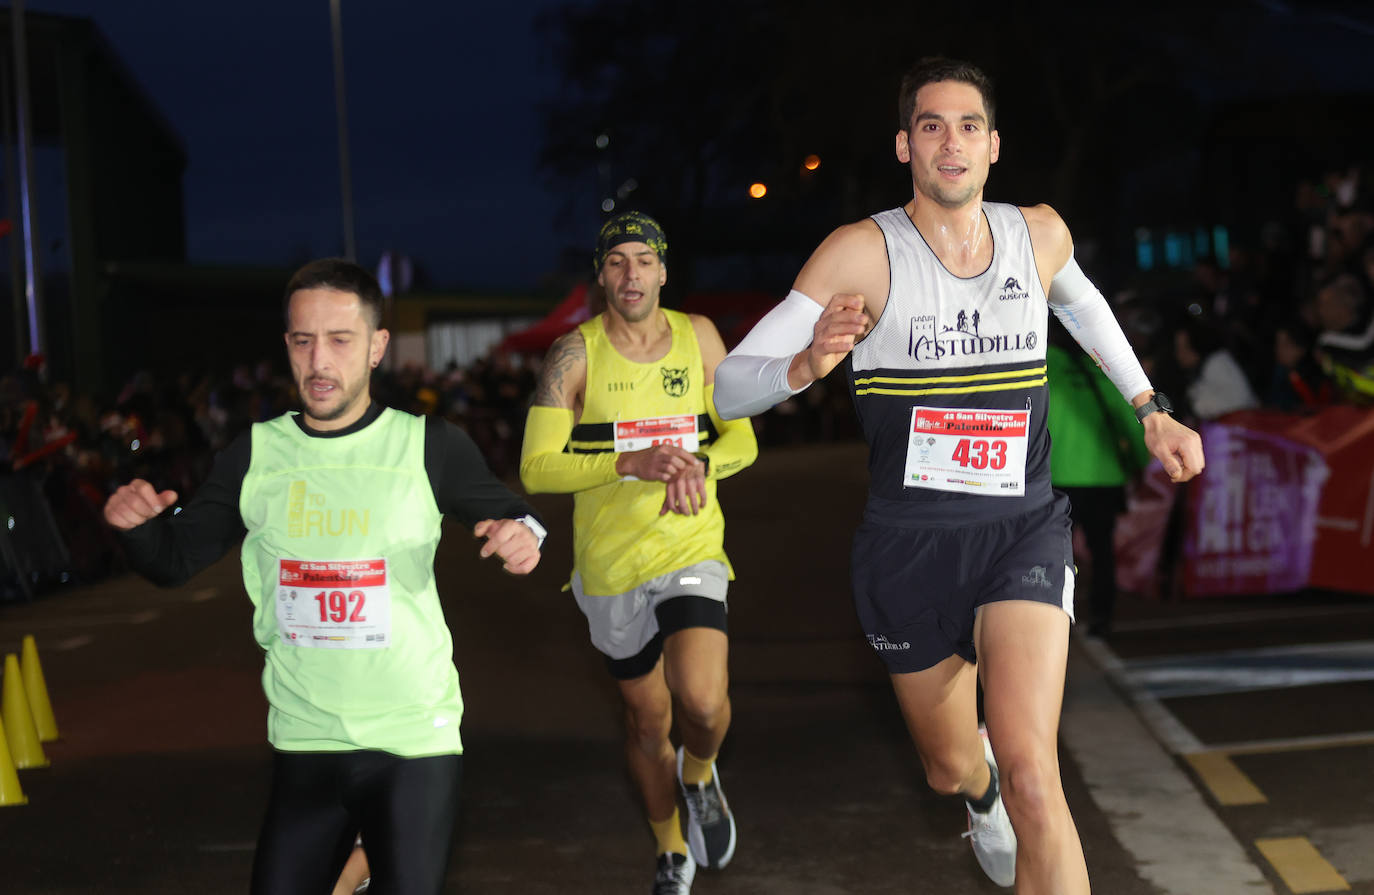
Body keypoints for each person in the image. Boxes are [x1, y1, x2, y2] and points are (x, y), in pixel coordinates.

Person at [712, 57, 1204, 892]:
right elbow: (729, 386)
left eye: (968, 125)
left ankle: (1004, 790)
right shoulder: (859, 253)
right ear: (905, 145)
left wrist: (1149, 404)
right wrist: (807, 362)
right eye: (932, 126)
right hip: (908, 547)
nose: (952, 142)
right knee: (953, 768)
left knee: (1035, 774)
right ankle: (977, 796)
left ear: (994, 145)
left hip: (1023, 529)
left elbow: (1082, 304)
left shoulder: (1037, 233)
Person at [103, 259, 546, 895]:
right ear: (287, 345)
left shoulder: (428, 445)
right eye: (303, 340)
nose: (319, 361)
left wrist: (524, 537)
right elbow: (173, 562)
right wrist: (138, 529)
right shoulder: (254, 455)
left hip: (412, 738)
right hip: (305, 739)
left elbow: (516, 516)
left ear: (376, 347)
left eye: (340, 340)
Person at [519, 212, 758, 895]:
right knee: (648, 721)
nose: (631, 274)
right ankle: (669, 846)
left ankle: (701, 772)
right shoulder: (574, 354)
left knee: (703, 701)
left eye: (642, 261)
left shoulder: (699, 336)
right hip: (610, 566)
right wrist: (628, 461)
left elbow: (742, 440)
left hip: (689, 545)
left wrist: (699, 467)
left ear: (663, 270)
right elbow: (536, 467)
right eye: (617, 261)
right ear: (601, 274)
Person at [1046, 329, 1151, 636]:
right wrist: (1140, 464)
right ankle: (1101, 619)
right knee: (1102, 551)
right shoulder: (1103, 367)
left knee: (1051, 554)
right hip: (1103, 477)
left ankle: (1050, 619)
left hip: (1056, 477)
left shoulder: (1043, 364)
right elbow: (1129, 420)